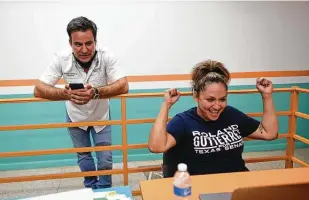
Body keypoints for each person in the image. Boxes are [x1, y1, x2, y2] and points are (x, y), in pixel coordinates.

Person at [34, 16, 129, 189]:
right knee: (84, 156)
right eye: (78, 44)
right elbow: (38, 89)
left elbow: (124, 85)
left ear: (95, 41)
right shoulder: (61, 58)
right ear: (70, 43)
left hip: (101, 114)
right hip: (75, 115)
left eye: (89, 43)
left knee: (105, 158)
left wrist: (97, 92)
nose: (84, 49)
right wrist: (66, 95)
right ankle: (91, 188)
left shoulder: (107, 56)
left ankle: (105, 190)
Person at [148, 59, 278, 178]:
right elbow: (156, 146)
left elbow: (269, 133)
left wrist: (267, 96)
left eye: (222, 99)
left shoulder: (231, 115)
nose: (216, 106)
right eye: (210, 99)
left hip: (235, 185)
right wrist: (166, 105)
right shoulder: (183, 122)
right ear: (196, 96)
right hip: (197, 189)